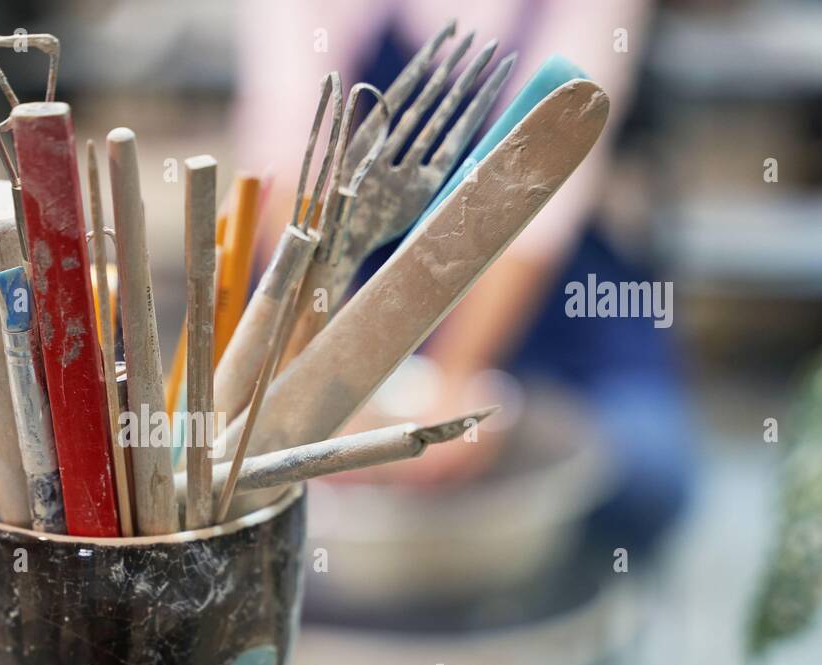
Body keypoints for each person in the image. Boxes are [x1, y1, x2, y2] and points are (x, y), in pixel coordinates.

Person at [236, 0, 691, 557]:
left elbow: (546, 207)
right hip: (346, 279)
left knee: (649, 474)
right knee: (230, 474)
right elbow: (291, 169)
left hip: (540, 293)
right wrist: (330, 381)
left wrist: (457, 374)